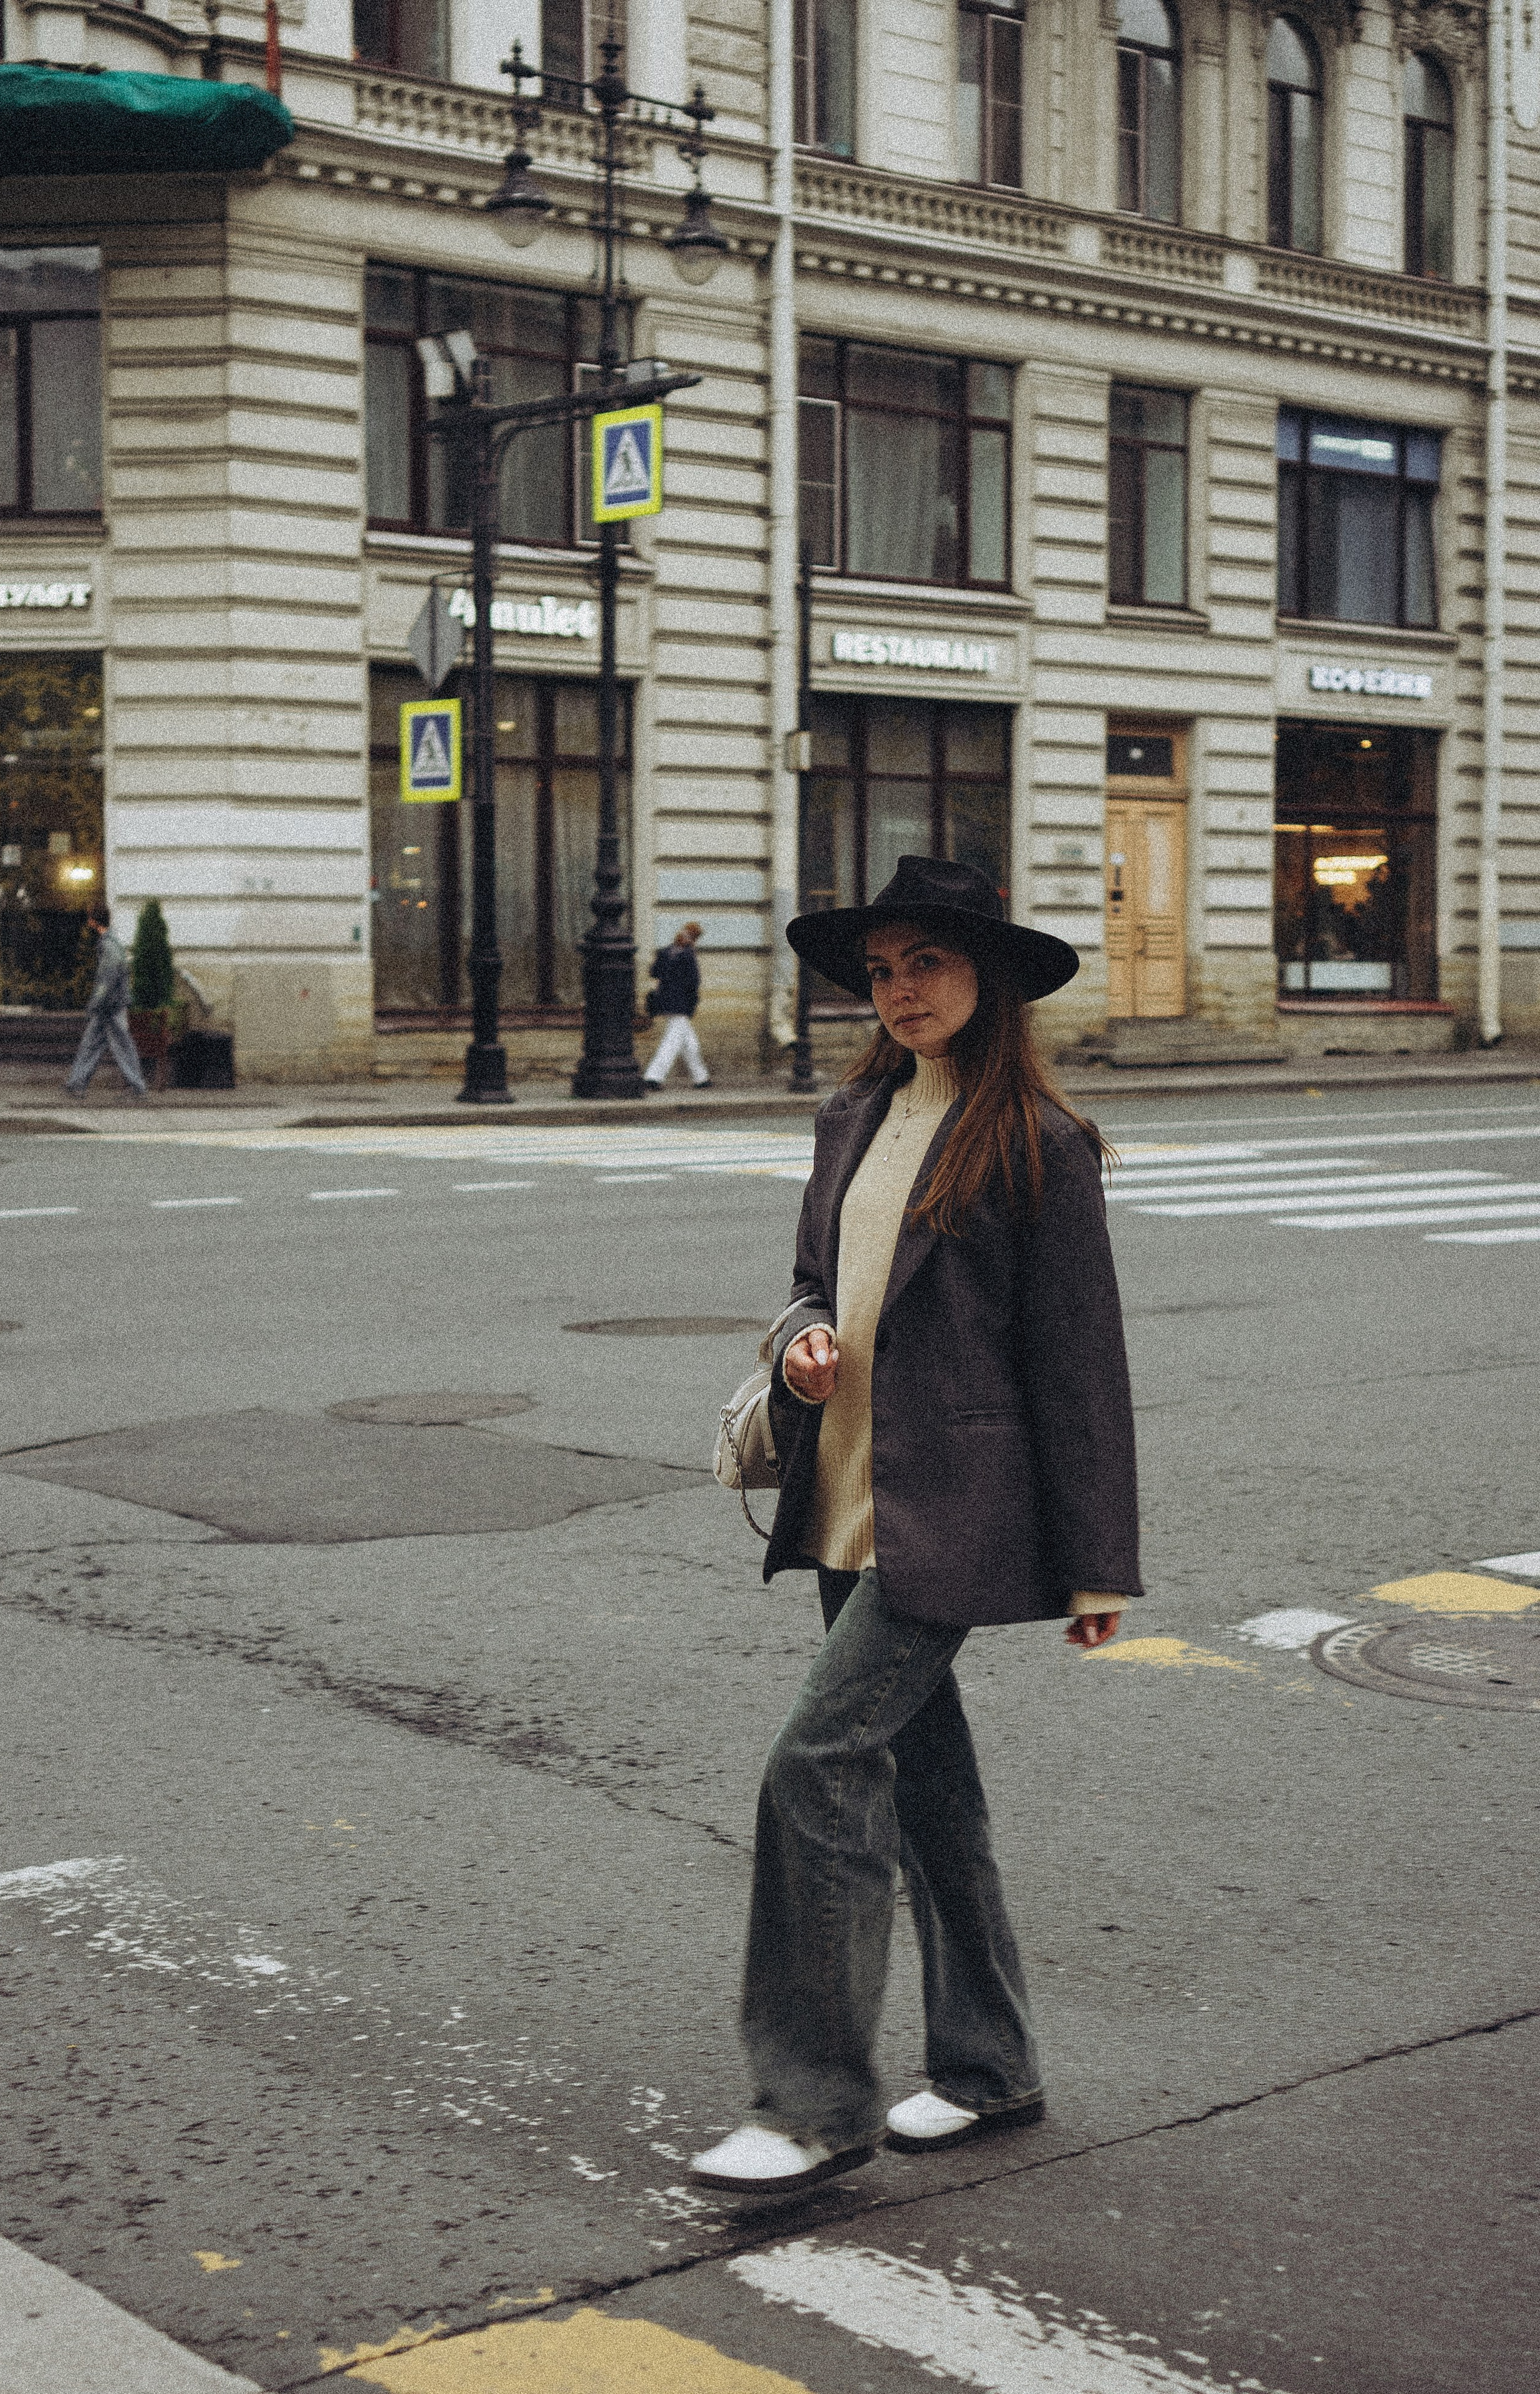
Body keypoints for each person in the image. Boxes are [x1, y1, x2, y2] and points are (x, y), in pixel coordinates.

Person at [690, 854, 1142, 2198]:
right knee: (926, 1786)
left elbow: (1078, 1363)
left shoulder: (1040, 1145)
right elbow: (807, 1285)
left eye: (924, 964)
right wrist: (805, 1343)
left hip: (956, 1512)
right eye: (879, 971)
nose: (897, 991)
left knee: (815, 1764)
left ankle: (815, 2103)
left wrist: (1093, 1563)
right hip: (844, 1490)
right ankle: (990, 2067)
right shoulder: (852, 1114)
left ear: (985, 976)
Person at [64, 903, 149, 1103]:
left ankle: (137, 1087)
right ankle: (76, 1083)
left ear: (94, 921)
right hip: (110, 1006)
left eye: (89, 920)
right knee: (92, 1043)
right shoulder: (111, 943)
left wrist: (96, 1002)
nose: (88, 924)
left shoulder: (109, 945)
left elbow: (107, 979)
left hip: (110, 1007)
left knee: (121, 1046)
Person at [643, 920, 710, 1089]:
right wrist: (692, 1004)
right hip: (680, 1005)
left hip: (666, 1002)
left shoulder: (666, 951)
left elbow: (654, 972)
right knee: (671, 1042)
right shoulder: (688, 954)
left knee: (690, 1044)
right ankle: (653, 1077)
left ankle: (701, 1078)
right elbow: (694, 982)